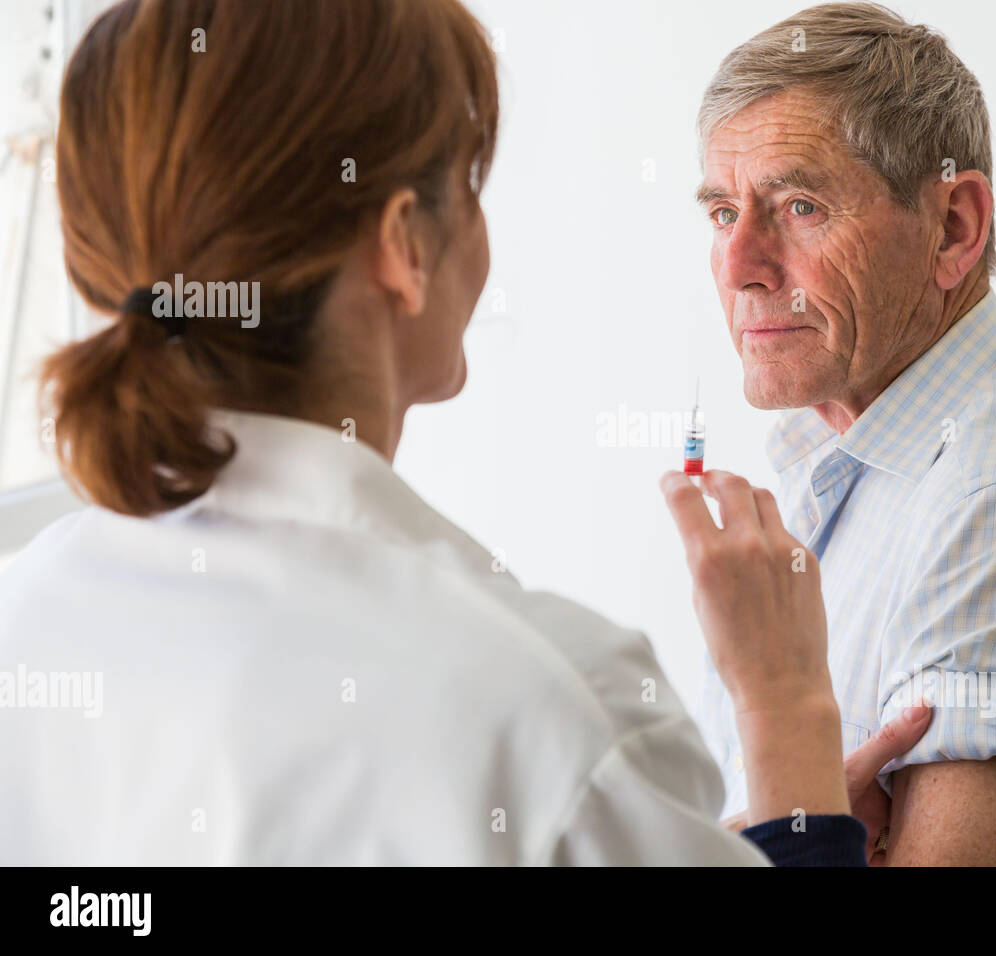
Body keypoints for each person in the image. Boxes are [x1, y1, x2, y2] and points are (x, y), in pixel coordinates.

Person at [0, 0, 929, 866]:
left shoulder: (26, 616)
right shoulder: (552, 717)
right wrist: (788, 720)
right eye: (469, 181)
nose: (739, 265)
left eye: (799, 206)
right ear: (404, 246)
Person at [693, 2, 996, 864]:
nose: (739, 268)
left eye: (800, 205)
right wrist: (787, 828)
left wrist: (783, 758)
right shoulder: (855, 454)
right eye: (723, 212)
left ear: (954, 228)